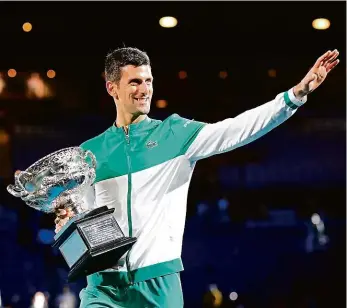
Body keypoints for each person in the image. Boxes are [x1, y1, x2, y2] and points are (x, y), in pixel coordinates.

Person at [54, 47, 339, 307]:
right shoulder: (89, 153)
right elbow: (85, 216)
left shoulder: (175, 134)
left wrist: (295, 95)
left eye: (148, 81)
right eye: (135, 82)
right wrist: (68, 222)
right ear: (112, 88)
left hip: (158, 286)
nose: (145, 90)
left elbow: (237, 129)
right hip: (103, 288)